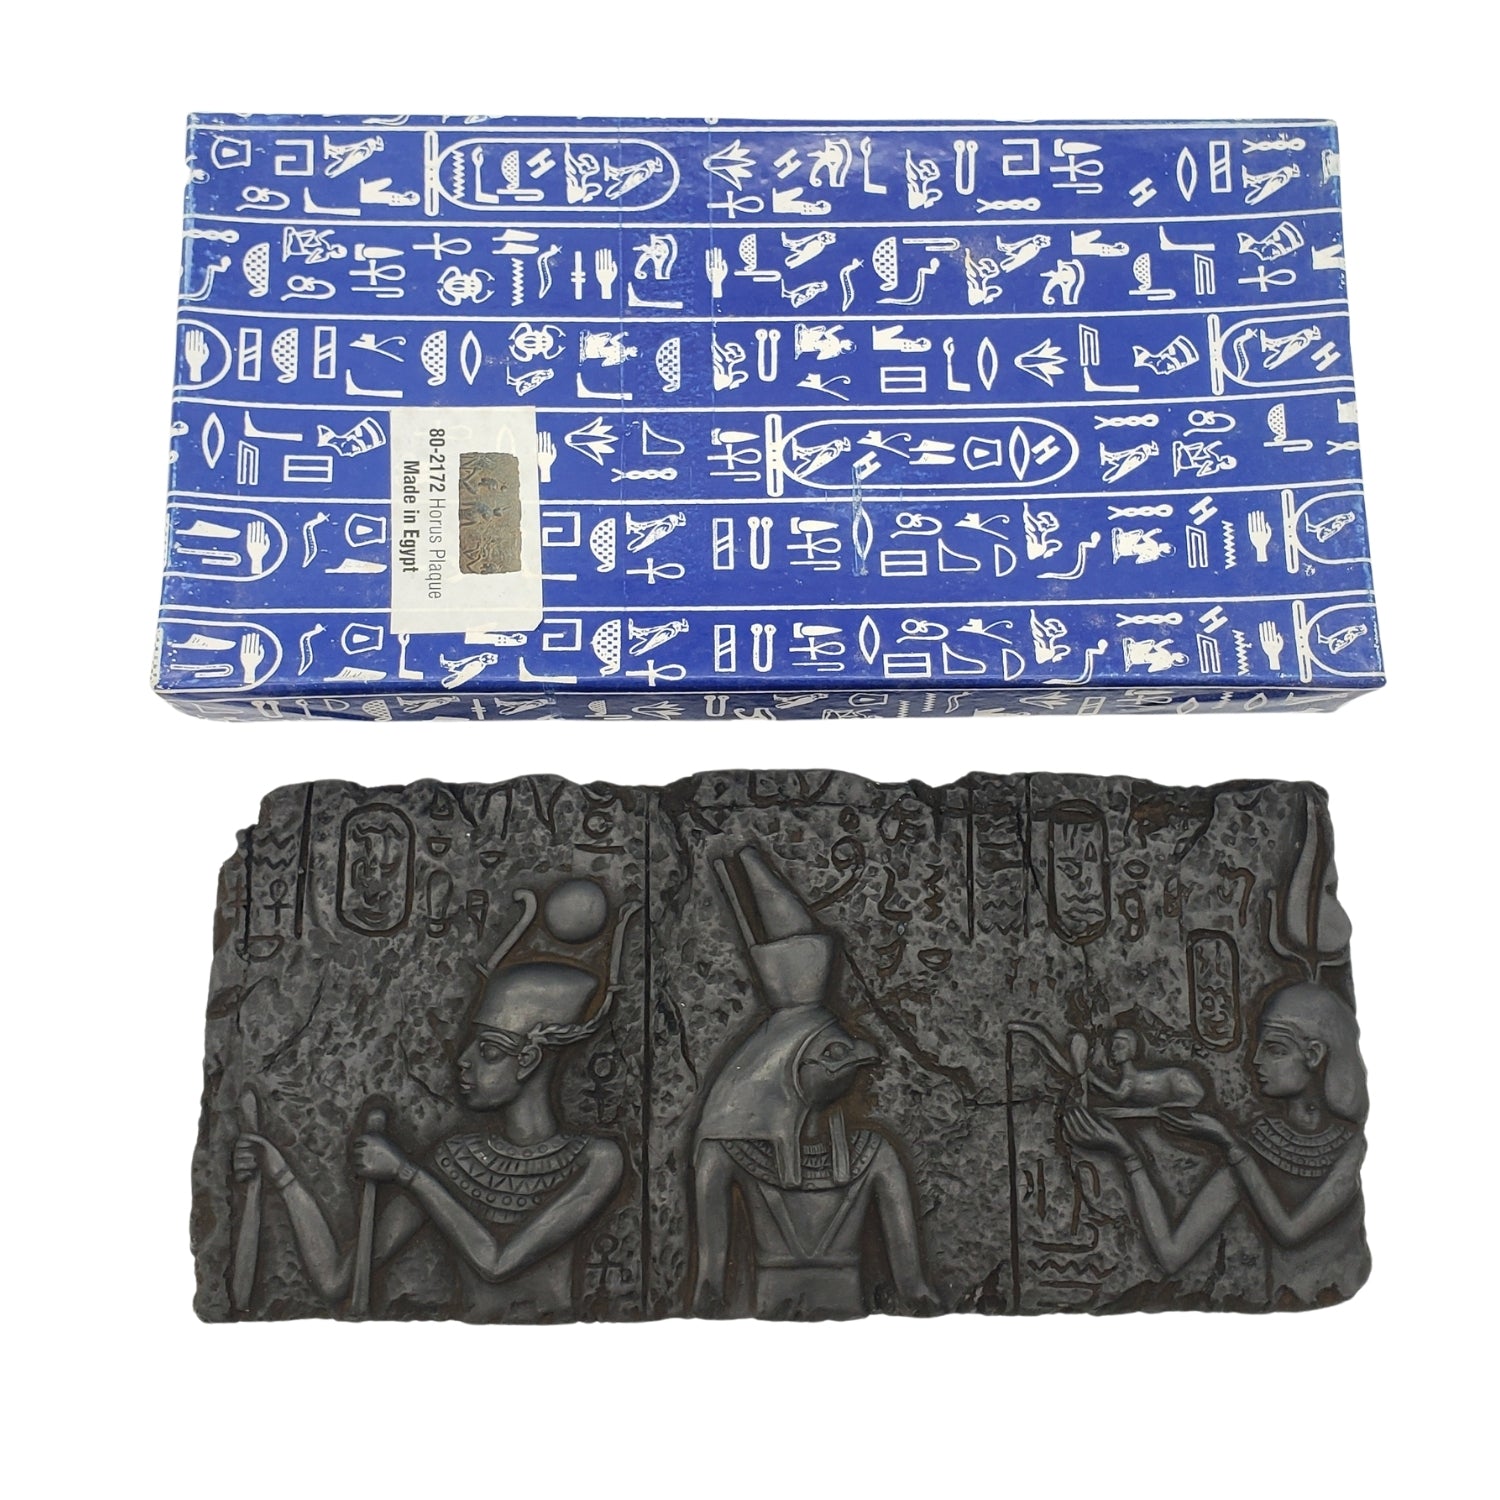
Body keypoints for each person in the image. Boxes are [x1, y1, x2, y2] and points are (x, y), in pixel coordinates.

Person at [234, 914, 629, 1322]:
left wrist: (406, 1173)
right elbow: (338, 1279)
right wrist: (283, 1176)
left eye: (489, 1051)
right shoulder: (453, 1161)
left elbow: (496, 1263)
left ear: (528, 1060)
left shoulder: (598, 1160)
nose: (464, 1060)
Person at [691, 849, 937, 1319]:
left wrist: (921, 1299)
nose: (863, 1055)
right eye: (834, 1053)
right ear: (787, 1067)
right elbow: (709, 1282)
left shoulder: (876, 1154)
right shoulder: (721, 1156)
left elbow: (913, 1283)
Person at [1064, 982, 1368, 1306]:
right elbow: (1172, 1253)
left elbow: (1289, 1231)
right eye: (1259, 1046)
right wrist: (1127, 1154)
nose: (1255, 1060)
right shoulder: (1258, 1141)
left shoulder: (1348, 1147)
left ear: (1314, 1055)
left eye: (1275, 1049)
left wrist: (1227, 1143)